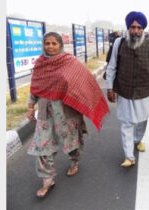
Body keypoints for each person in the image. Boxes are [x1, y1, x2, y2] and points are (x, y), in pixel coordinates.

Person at [26, 32, 109, 198]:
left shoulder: (69, 62)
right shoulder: (40, 63)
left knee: (71, 139)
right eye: (47, 43)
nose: (50, 46)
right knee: (42, 144)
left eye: (54, 43)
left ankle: (74, 160)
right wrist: (30, 106)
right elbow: (35, 86)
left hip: (66, 110)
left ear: (60, 45)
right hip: (45, 110)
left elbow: (82, 81)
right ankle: (47, 179)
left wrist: (83, 100)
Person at [106, 11, 149, 167]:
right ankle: (129, 156)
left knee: (142, 121)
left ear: (143, 29)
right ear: (128, 28)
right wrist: (109, 88)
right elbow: (111, 67)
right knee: (126, 123)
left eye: (139, 28)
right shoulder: (119, 43)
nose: (136, 31)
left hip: (143, 91)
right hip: (124, 90)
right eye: (133, 27)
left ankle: (137, 140)